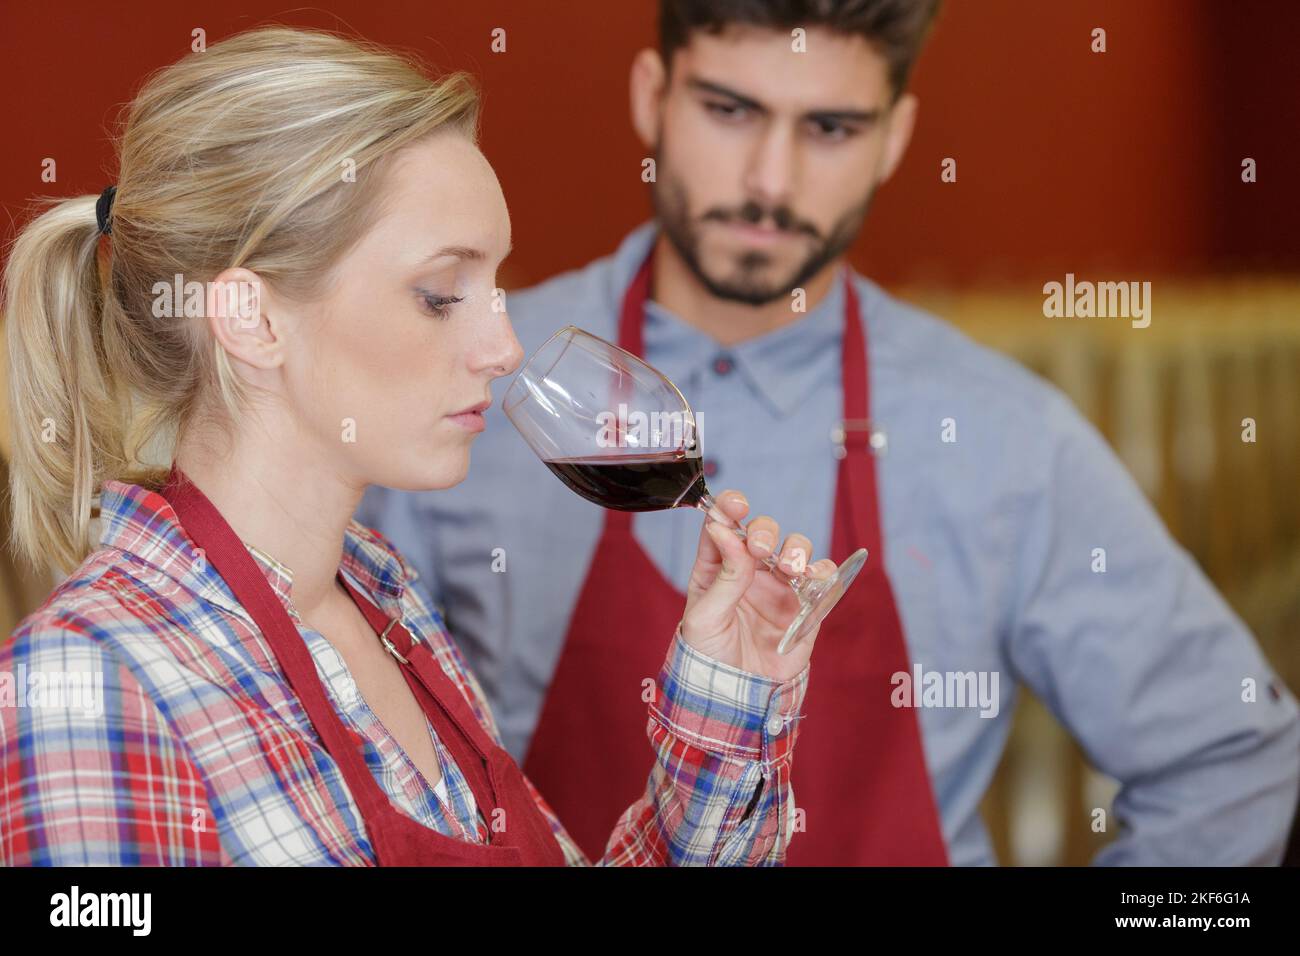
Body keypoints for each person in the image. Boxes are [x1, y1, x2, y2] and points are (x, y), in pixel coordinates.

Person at [358, 0, 1300, 865]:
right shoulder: (465, 381)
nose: (771, 180)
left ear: (896, 139)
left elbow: (1233, 753)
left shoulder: (1007, 434)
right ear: (653, 98)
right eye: (730, 110)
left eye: (831, 128)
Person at [0, 26, 840, 866]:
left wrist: (731, 693)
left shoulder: (383, 593)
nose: (505, 349)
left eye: (495, 286)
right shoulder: (87, 686)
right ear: (251, 320)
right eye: (441, 295)